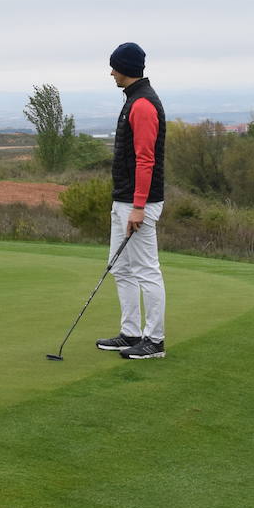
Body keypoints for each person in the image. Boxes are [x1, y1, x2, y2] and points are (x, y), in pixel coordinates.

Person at [94, 42, 167, 360]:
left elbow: (145, 160)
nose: (111, 72)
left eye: (114, 67)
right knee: (121, 268)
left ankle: (154, 341)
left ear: (126, 68)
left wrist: (138, 206)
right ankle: (131, 332)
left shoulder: (143, 105)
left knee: (146, 270)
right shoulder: (134, 100)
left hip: (139, 203)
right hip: (124, 200)